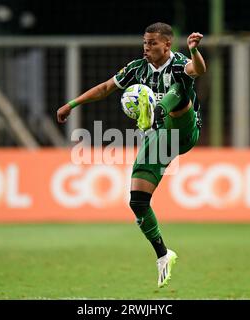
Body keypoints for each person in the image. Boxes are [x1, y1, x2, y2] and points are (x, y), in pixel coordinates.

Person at [57, 22, 206, 288]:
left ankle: (155, 110)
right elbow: (105, 88)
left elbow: (198, 70)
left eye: (152, 43)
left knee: (180, 88)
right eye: (145, 43)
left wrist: (194, 50)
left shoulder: (180, 61)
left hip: (184, 129)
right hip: (162, 138)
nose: (146, 48)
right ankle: (163, 254)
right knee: (137, 201)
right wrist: (72, 104)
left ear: (167, 45)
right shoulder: (137, 67)